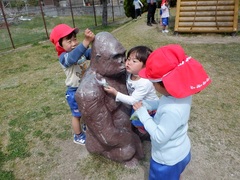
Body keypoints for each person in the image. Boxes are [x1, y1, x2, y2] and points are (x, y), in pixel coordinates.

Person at [132, 44, 212, 179]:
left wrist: (143, 114)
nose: (152, 85)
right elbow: (164, 102)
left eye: (153, 83)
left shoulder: (172, 111)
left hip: (166, 161)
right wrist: (149, 104)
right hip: (182, 151)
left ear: (165, 83)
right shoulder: (180, 92)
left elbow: (159, 137)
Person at [75, 32, 144, 167]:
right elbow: (107, 136)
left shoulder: (119, 70)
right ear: (99, 58)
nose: (123, 61)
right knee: (128, 151)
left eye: (123, 55)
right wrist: (133, 138)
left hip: (125, 126)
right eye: (116, 57)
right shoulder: (89, 91)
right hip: (107, 141)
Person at [49, 24, 95, 145]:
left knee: (86, 110)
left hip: (85, 88)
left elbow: (92, 53)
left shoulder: (80, 51)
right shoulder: (64, 57)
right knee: (77, 115)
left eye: (75, 39)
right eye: (69, 41)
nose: (74, 43)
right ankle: (78, 135)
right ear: (60, 45)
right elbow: (73, 59)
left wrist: (95, 42)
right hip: (74, 91)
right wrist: (85, 42)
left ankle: (85, 126)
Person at [103, 46, 159, 141]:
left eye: (134, 61)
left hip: (148, 106)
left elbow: (133, 100)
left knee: (139, 121)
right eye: (128, 59)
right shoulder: (131, 73)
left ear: (145, 66)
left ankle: (146, 134)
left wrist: (115, 93)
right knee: (135, 119)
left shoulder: (144, 82)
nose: (128, 63)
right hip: (138, 102)